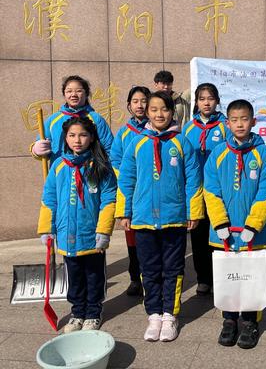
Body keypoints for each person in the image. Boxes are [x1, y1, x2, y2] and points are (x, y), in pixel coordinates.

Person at [115, 91, 203, 343]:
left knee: (173, 269)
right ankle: (153, 313)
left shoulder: (181, 142)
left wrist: (193, 211)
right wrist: (125, 212)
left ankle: (170, 314)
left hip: (173, 218)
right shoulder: (137, 142)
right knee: (149, 269)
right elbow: (127, 179)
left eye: (163, 109)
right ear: (146, 113)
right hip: (142, 219)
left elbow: (193, 180)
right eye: (153, 110)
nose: (158, 114)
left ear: (171, 111)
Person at [204, 99, 266, 349]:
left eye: (244, 119)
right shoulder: (218, 153)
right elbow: (211, 190)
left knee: (250, 277)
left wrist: (253, 224)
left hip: (252, 233)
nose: (239, 124)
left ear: (253, 122)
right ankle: (229, 320)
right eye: (234, 120)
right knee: (229, 276)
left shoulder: (263, 153)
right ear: (227, 123)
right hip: (223, 232)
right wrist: (220, 222)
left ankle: (250, 322)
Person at [37, 117, 117, 333]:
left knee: (94, 276)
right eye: (72, 135)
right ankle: (77, 312)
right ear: (65, 138)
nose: (77, 140)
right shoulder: (58, 165)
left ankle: (93, 312)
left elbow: (109, 200)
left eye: (82, 135)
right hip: (66, 233)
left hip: (91, 234)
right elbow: (49, 197)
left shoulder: (100, 166)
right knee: (74, 277)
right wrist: (47, 227)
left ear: (91, 138)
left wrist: (104, 230)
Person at [182, 83, 229, 296]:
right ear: (197, 102)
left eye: (210, 98)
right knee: (199, 236)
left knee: (220, 232)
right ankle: (203, 278)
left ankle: (222, 279)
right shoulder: (189, 128)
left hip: (220, 190)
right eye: (202, 98)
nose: (206, 102)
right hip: (196, 189)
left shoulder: (225, 126)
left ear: (217, 101)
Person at [110, 86, 151, 297]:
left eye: (144, 100)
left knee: (151, 238)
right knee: (133, 239)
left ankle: (151, 278)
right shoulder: (124, 133)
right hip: (131, 193)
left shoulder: (157, 130)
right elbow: (115, 159)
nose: (140, 105)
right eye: (135, 101)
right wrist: (127, 178)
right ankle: (136, 278)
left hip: (151, 192)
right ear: (129, 105)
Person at [30, 75, 114, 163]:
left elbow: (110, 149)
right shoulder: (53, 120)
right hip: (60, 173)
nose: (73, 95)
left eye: (79, 91)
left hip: (90, 172)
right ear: (64, 94)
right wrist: (36, 150)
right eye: (69, 91)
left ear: (86, 94)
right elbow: (43, 147)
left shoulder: (96, 119)